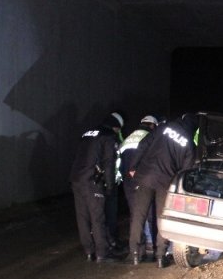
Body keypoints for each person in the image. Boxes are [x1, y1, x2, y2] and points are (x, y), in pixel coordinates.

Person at [127, 113, 198, 268]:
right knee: (162, 218)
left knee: (138, 216)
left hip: (144, 177)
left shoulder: (163, 127)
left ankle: (135, 254)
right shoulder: (189, 144)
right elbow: (186, 171)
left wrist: (133, 166)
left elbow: (142, 145)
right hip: (165, 183)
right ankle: (160, 256)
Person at [69, 113, 122, 263]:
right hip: (92, 180)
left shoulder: (87, 134)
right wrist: (110, 186)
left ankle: (89, 251)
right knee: (97, 217)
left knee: (82, 217)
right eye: (118, 130)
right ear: (115, 127)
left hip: (76, 179)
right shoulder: (108, 136)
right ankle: (102, 253)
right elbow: (109, 162)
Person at [119, 114, 159, 262]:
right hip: (144, 179)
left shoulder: (128, 137)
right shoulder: (150, 137)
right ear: (153, 126)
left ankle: (136, 251)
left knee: (135, 215)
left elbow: (120, 161)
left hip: (128, 181)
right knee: (149, 213)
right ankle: (152, 247)